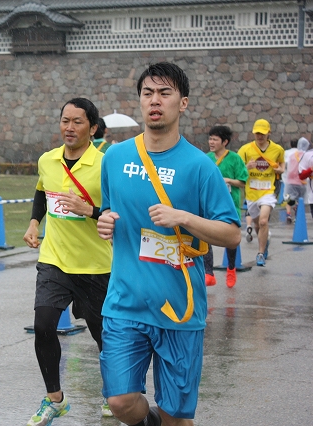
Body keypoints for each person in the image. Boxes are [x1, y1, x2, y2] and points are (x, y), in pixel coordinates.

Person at [96, 62, 241, 426]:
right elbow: (110, 208)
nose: (155, 100)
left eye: (164, 93)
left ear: (183, 103)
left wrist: (184, 218)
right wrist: (104, 219)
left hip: (179, 309)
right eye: (148, 93)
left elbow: (231, 234)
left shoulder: (200, 166)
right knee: (120, 402)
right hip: (125, 302)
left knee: (176, 418)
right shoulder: (115, 158)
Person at [23, 98, 113, 425]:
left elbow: (120, 213)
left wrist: (90, 210)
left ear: (93, 128)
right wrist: (34, 223)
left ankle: (115, 393)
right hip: (54, 260)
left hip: (95, 265)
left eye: (77, 122)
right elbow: (41, 193)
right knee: (44, 326)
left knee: (105, 337)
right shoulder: (47, 160)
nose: (69, 127)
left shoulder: (105, 165)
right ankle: (55, 400)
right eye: (65, 120)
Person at [203, 125, 248, 288]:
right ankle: (209, 272)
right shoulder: (206, 158)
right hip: (209, 203)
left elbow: (242, 181)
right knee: (205, 234)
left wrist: (228, 180)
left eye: (215, 139)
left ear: (225, 142)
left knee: (230, 239)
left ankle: (231, 268)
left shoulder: (235, 159)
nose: (211, 142)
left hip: (230, 203)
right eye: (210, 139)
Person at [237, 119, 285, 266]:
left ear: (269, 133)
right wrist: (247, 166)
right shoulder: (245, 149)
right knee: (258, 225)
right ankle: (264, 243)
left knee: (264, 221)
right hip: (251, 193)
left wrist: (281, 169)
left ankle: (260, 253)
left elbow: (282, 164)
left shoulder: (277, 149)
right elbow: (238, 169)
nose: (260, 136)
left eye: (263, 133)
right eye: (257, 133)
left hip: (268, 191)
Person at [283, 138, 309, 223]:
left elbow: (285, 164)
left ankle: (288, 213)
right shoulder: (306, 155)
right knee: (300, 199)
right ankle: (297, 214)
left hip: (290, 181)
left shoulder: (290, 154)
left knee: (288, 198)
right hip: (302, 181)